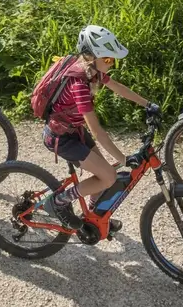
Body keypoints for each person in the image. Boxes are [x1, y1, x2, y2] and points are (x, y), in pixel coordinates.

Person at [39, 24, 155, 229]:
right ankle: (58, 202)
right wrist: (125, 159)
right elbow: (98, 132)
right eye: (108, 59)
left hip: (73, 131)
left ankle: (92, 216)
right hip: (61, 138)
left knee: (104, 173)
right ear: (93, 56)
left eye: (113, 59)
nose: (112, 63)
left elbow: (117, 87)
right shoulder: (80, 85)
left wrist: (148, 104)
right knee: (109, 177)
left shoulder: (91, 71)